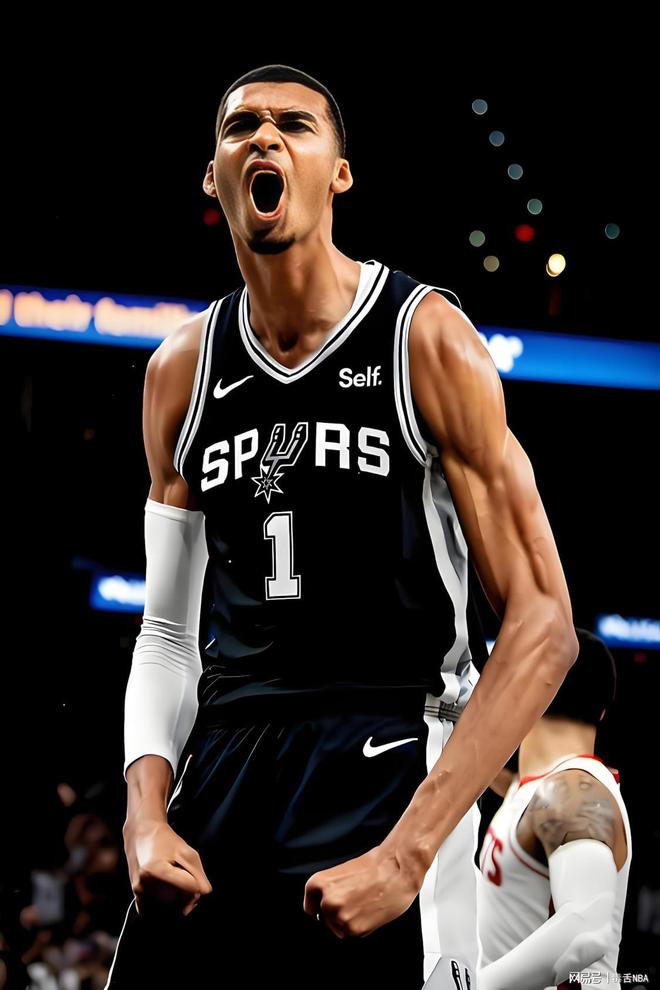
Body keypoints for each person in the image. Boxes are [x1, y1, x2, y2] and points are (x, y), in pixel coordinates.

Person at [103, 64, 579, 989]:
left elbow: (543, 623)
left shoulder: (425, 337)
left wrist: (408, 853)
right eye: (242, 125)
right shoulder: (180, 372)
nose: (265, 137)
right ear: (213, 175)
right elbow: (165, 633)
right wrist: (145, 817)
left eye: (295, 125)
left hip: (393, 748)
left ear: (339, 173)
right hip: (227, 762)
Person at [477, 628, 632, 989]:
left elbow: (587, 931)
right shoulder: (534, 788)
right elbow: (488, 768)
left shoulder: (570, 793)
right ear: (602, 711)